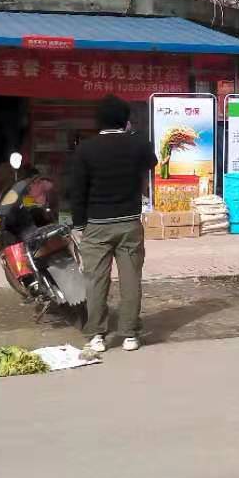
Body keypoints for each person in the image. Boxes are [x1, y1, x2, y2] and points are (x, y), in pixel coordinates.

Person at [68, 94, 157, 354]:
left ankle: (96, 335)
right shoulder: (137, 144)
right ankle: (129, 335)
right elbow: (152, 162)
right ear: (126, 120)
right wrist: (132, 134)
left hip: (96, 225)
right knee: (131, 280)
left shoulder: (86, 149)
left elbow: (77, 191)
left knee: (96, 281)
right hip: (129, 223)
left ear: (98, 121)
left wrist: (78, 225)